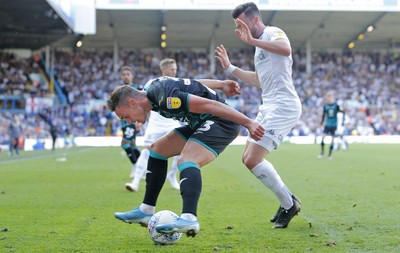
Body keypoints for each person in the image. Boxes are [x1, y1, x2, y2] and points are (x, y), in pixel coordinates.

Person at [107, 76, 264, 237]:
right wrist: (221, 84)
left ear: (133, 103)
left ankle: (189, 218)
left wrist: (248, 123)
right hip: (200, 122)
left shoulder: (164, 98)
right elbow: (191, 84)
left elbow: (211, 105)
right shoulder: (152, 91)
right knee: (158, 149)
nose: (129, 121)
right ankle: (146, 211)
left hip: (221, 122)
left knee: (187, 160)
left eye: (125, 116)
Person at [214, 2, 302, 229]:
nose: (239, 29)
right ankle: (287, 200)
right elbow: (258, 80)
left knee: (254, 159)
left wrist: (252, 41)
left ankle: (288, 203)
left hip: (283, 106)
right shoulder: (259, 48)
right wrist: (230, 68)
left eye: (241, 23)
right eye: (236, 25)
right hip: (269, 106)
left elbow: (286, 49)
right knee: (246, 158)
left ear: (254, 19)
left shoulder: (273, 32)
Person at [125, 58, 181, 192]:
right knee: (146, 152)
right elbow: (142, 103)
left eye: (175, 69)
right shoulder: (152, 83)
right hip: (155, 125)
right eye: (172, 69)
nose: (174, 72)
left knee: (182, 151)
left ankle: (172, 176)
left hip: (172, 122)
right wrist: (138, 120)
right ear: (164, 70)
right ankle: (135, 182)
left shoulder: (178, 83)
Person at [119, 66, 142, 176]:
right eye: (124, 74)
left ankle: (137, 166)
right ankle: (143, 167)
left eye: (128, 74)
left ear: (132, 76)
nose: (126, 76)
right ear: (121, 76)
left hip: (133, 121)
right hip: (124, 122)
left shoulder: (136, 89)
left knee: (124, 143)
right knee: (132, 144)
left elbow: (141, 105)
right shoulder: (119, 90)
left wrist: (138, 120)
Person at [318, 91, 345, 160]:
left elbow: (343, 112)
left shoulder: (336, 105)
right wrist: (321, 122)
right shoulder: (325, 105)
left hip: (334, 125)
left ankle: (329, 155)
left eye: (330, 97)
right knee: (322, 138)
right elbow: (324, 115)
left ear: (332, 98)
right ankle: (322, 152)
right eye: (328, 97)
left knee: (332, 140)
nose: (329, 98)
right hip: (327, 124)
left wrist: (343, 122)